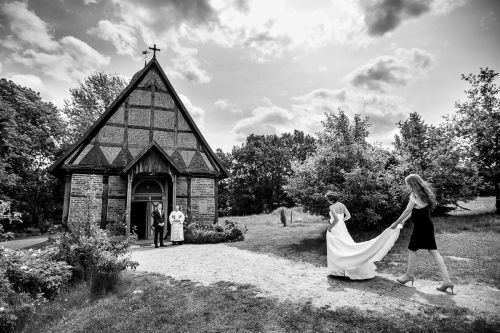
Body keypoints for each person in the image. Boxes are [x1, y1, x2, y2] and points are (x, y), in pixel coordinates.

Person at [391, 174, 454, 293]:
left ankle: (409, 275)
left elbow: (407, 210)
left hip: (420, 227)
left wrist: (396, 222)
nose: (408, 187)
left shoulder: (414, 195)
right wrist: (403, 221)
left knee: (412, 250)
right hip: (428, 225)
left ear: (412, 184)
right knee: (434, 252)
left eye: (408, 184)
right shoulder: (426, 193)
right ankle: (446, 280)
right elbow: (414, 210)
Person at [326, 191, 402, 280]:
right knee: (347, 245)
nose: (327, 201)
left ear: (330, 199)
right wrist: (342, 221)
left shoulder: (331, 207)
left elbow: (335, 220)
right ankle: (345, 269)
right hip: (342, 228)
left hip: (335, 228)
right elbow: (348, 216)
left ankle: (338, 270)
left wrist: (330, 228)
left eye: (327, 199)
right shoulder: (342, 205)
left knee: (337, 247)